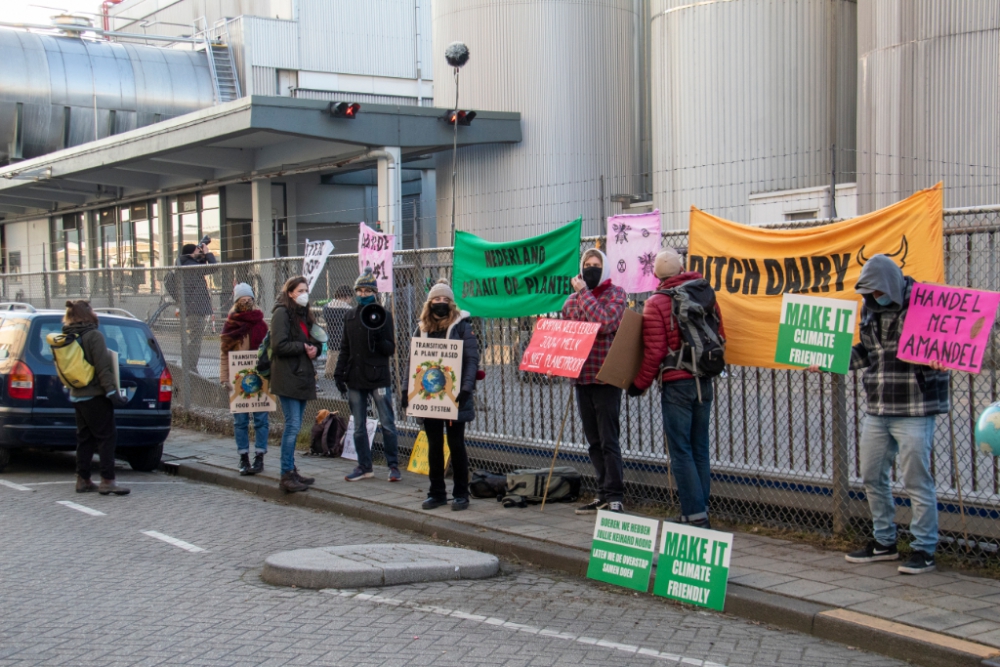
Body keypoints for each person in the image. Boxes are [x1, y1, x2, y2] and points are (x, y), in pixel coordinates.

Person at [808, 254, 949, 574]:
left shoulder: (926, 303)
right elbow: (866, 353)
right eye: (868, 293)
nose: (873, 298)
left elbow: (949, 343)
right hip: (879, 407)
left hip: (915, 407)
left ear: (890, 285)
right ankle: (884, 542)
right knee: (872, 476)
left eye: (877, 292)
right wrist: (829, 358)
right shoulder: (870, 308)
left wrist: (941, 358)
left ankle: (924, 549)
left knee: (916, 480)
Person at [629, 248, 725, 529]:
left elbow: (655, 351)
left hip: (677, 384)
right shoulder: (705, 292)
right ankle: (700, 510)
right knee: (700, 448)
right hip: (704, 379)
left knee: (680, 450)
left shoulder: (656, 302)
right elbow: (721, 335)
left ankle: (694, 516)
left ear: (656, 275)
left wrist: (639, 384)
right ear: (682, 269)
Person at [402, 280, 480, 511]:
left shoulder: (463, 326)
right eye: (437, 299)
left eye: (446, 300)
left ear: (452, 303)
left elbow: (471, 359)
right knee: (434, 445)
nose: (441, 303)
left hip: (454, 397)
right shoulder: (421, 328)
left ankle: (460, 494)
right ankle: (436, 492)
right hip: (428, 398)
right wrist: (406, 391)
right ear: (430, 303)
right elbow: (412, 361)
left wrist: (466, 388)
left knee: (456, 445)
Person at [561, 247, 627, 514]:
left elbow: (605, 323)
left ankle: (615, 496)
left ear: (605, 267)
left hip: (606, 378)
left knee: (609, 439)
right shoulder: (570, 302)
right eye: (586, 264)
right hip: (583, 378)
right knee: (594, 441)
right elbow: (566, 337)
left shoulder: (616, 295)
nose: (590, 268)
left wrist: (584, 294)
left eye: (596, 264)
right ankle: (601, 493)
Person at [333, 269, 402, 482]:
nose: (363, 294)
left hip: (378, 377)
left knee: (388, 423)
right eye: (359, 290)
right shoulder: (350, 316)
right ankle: (364, 466)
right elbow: (345, 347)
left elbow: (390, 348)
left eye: (367, 290)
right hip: (355, 377)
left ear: (374, 292)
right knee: (359, 425)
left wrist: (379, 333)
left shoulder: (384, 315)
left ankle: (393, 466)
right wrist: (339, 371)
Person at [60, 300, 130, 496]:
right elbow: (103, 368)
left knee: (85, 438)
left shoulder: (68, 335)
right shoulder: (93, 336)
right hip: (94, 395)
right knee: (107, 436)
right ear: (89, 314)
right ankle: (108, 480)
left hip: (77, 395)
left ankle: (83, 479)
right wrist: (112, 392)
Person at [270, 276, 321, 493]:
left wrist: (315, 349)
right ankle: (286, 474)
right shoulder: (281, 313)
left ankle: (291, 469)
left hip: (301, 376)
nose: (304, 293)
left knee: (296, 424)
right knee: (292, 426)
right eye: (300, 290)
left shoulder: (304, 315)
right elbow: (279, 344)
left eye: (306, 290)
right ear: (290, 292)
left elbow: (317, 338)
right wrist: (303, 347)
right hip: (288, 376)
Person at [220, 283, 270, 476]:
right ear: (236, 301)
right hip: (238, 379)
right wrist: (225, 378)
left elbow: (269, 351)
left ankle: (259, 456)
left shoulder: (261, 324)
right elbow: (225, 354)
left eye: (249, 299)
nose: (246, 303)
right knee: (240, 420)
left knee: (261, 419)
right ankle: (243, 457)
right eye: (242, 300)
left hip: (260, 377)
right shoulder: (230, 325)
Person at [177, 238, 218, 375]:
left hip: (193, 308)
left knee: (194, 340)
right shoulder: (190, 266)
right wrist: (207, 253)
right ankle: (190, 369)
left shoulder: (186, 264)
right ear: (190, 254)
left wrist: (201, 254)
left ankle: (189, 368)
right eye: (197, 250)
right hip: (196, 309)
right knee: (195, 341)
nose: (199, 252)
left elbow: (202, 266)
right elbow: (214, 267)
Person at [322, 285, 354, 379]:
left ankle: (330, 373)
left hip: (331, 336)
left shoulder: (327, 307)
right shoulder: (348, 309)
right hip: (345, 338)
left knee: (331, 354)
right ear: (347, 297)